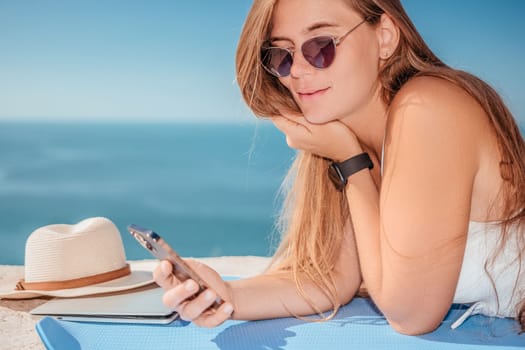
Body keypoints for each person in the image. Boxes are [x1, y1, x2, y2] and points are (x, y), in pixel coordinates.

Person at [153, 0, 525, 335]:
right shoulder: (344, 137)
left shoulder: (427, 109)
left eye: (321, 46)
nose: (297, 70)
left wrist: (351, 164)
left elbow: (411, 314)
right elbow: (332, 277)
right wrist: (227, 295)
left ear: (385, 36)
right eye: (281, 55)